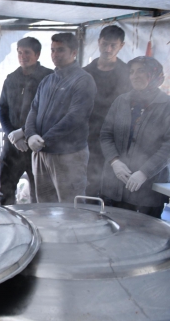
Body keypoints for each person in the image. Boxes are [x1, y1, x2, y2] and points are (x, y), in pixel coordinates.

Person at [24, 33, 96, 203]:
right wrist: (30, 135)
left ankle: (74, 231)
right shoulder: (47, 80)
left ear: (74, 52)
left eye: (61, 50)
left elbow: (75, 117)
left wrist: (43, 140)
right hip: (42, 153)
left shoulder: (83, 80)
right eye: (53, 50)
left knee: (71, 205)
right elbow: (33, 109)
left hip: (68, 155)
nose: (55, 54)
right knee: (44, 204)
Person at [99, 57, 170, 218]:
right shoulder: (121, 101)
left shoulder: (166, 105)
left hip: (147, 188)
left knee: (144, 237)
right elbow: (106, 135)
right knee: (112, 231)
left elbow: (168, 146)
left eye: (141, 71)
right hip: (114, 185)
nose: (134, 76)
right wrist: (114, 161)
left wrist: (144, 172)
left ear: (155, 74)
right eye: (131, 72)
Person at [0, 37, 53, 205]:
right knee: (6, 191)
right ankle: (7, 226)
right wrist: (12, 135)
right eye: (20, 52)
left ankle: (38, 226)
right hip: (12, 146)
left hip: (37, 145)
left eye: (27, 53)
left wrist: (25, 133)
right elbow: (2, 110)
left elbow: (48, 112)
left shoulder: (48, 78)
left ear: (37, 54)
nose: (22, 56)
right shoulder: (11, 78)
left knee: (40, 193)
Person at [83, 25, 130, 196]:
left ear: (121, 46)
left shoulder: (127, 73)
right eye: (104, 44)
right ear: (98, 42)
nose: (107, 49)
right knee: (89, 185)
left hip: (116, 140)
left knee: (112, 188)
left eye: (113, 45)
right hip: (88, 138)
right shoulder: (85, 73)